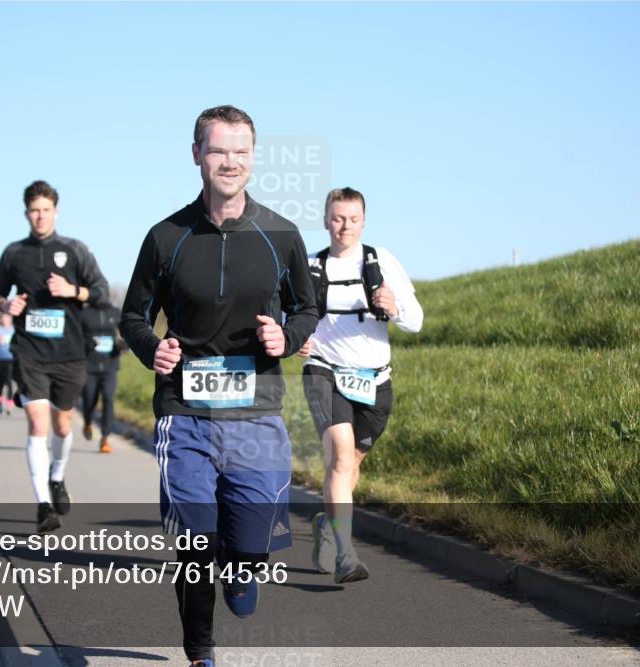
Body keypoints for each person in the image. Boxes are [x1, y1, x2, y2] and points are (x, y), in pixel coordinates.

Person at [119, 105, 318, 667]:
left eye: (240, 151)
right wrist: (151, 349)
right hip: (185, 413)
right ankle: (200, 653)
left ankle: (245, 566)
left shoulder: (281, 235)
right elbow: (133, 317)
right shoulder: (166, 237)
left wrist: (287, 335)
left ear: (253, 157)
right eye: (218, 150)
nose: (229, 161)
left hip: (256, 413)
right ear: (196, 155)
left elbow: (307, 308)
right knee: (196, 540)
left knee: (249, 554)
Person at [298, 187, 423, 583]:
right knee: (340, 457)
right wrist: (295, 337)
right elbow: (288, 316)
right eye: (337, 218)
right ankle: (346, 555)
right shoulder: (309, 266)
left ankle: (327, 526)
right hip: (325, 371)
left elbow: (416, 320)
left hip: (374, 380)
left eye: (352, 219)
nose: (344, 226)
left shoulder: (381, 261)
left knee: (350, 466)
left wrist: (394, 307)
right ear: (325, 221)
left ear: (364, 221)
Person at [0, 180, 110, 532]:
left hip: (69, 354)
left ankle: (57, 476)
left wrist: (73, 290)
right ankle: (43, 504)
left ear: (56, 211)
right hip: (30, 352)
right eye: (33, 210)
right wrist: (6, 304)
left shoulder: (75, 250)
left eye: (45, 210)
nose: (39, 216)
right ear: (26, 213)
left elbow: (101, 292)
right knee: (38, 425)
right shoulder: (14, 253)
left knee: (62, 424)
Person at [80, 300, 127, 453]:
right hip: (89, 366)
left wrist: (123, 345)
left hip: (110, 365)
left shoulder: (115, 312)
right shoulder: (84, 312)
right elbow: (75, 335)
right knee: (89, 399)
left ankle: (105, 439)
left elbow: (128, 332)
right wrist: (85, 343)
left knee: (108, 398)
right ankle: (87, 422)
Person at [0, 313, 16, 415]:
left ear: (10, 319)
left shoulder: (13, 329)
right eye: (3, 318)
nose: (5, 320)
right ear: (0, 319)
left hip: (10, 358)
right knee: (0, 382)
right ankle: (0, 403)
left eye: (7, 318)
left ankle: (9, 405)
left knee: (9, 381)